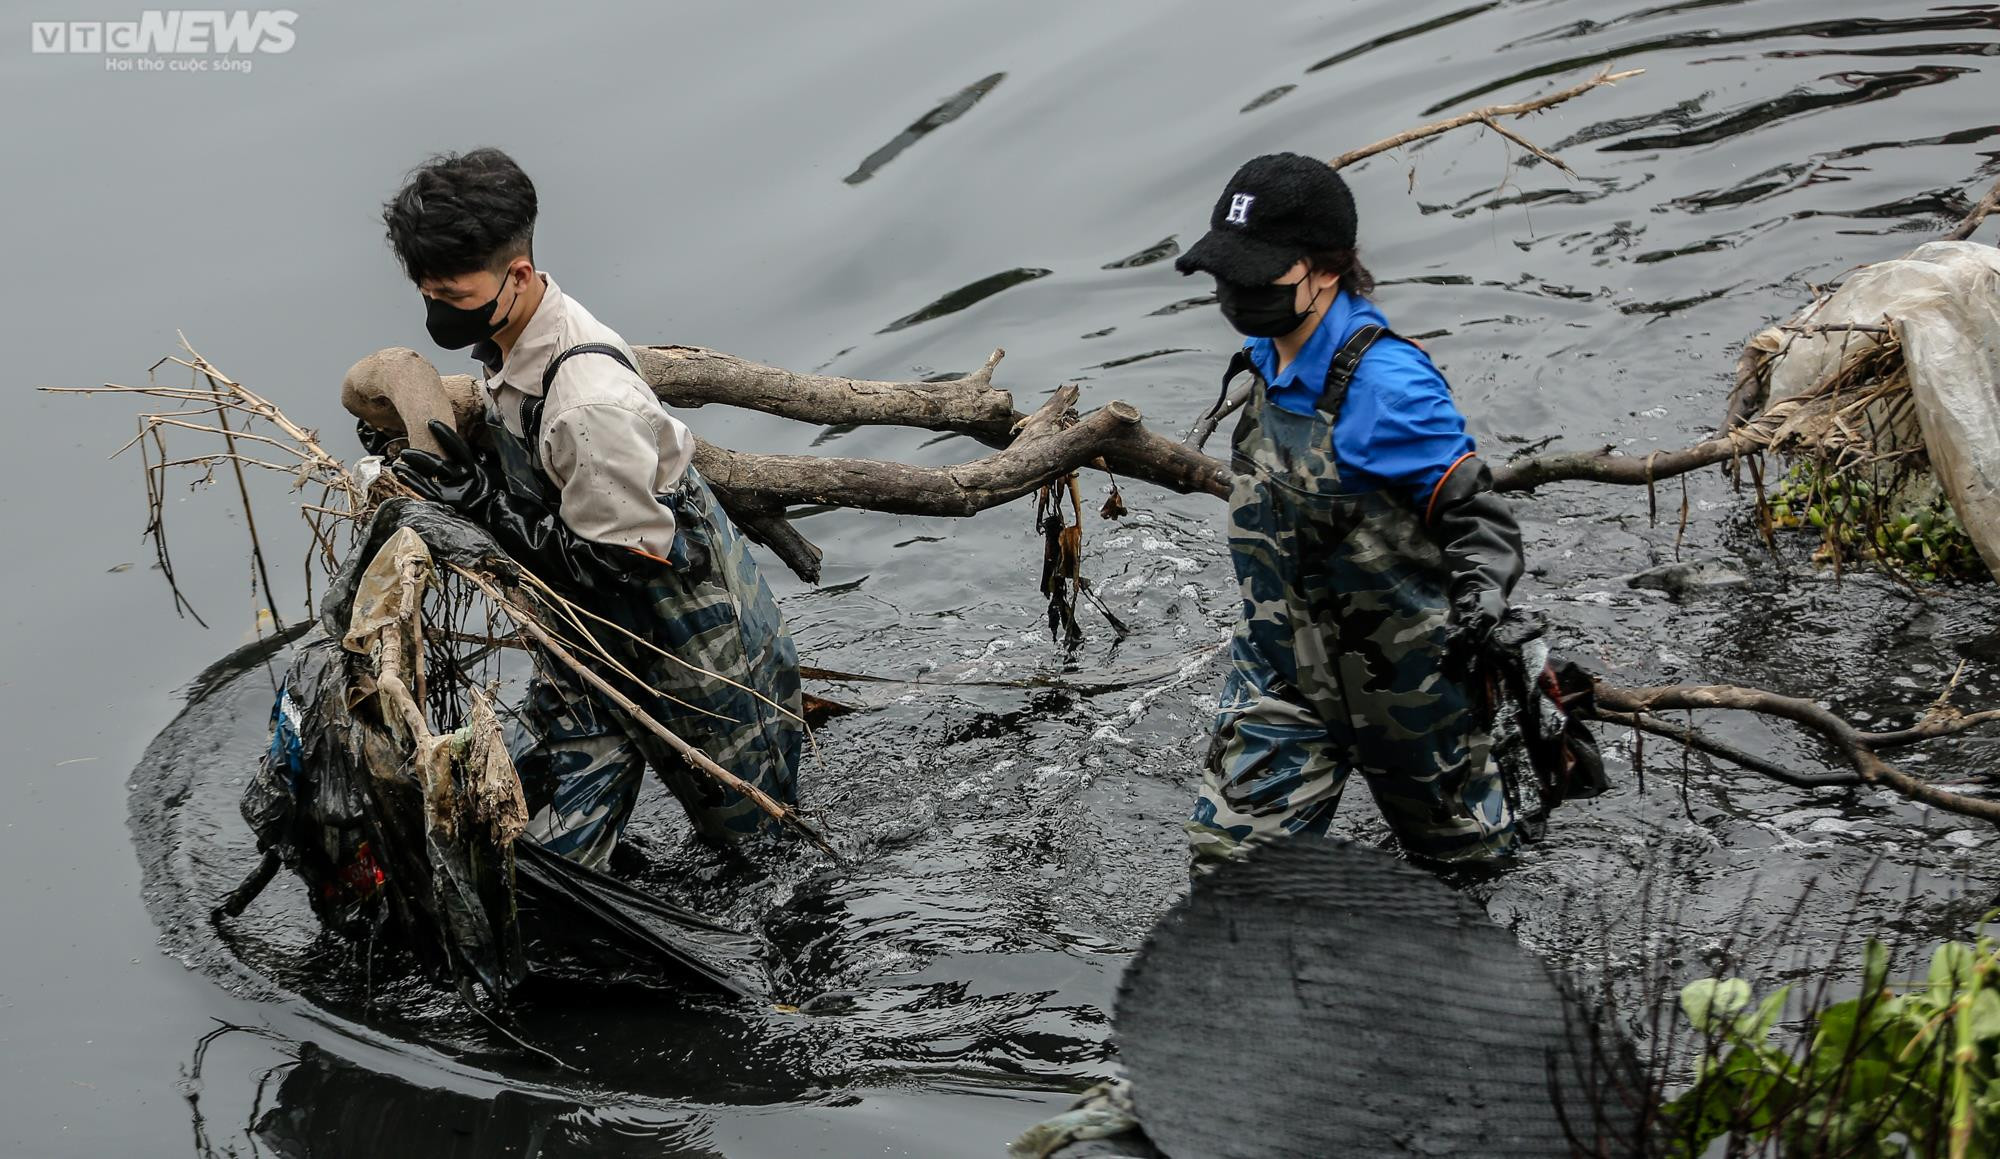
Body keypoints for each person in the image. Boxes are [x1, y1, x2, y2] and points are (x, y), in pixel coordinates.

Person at [374, 147, 804, 868]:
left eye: (452, 295)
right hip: (593, 653)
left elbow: (615, 566)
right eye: (427, 295)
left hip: (703, 666)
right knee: (521, 839)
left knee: (759, 858)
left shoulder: (587, 403)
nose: (437, 313)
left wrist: (479, 506)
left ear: (517, 274)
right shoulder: (511, 340)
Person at [1172, 152, 1525, 870]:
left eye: (1254, 272)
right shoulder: (1267, 353)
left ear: (1325, 270)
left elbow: (1480, 522)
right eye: (1226, 272)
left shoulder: (1392, 387)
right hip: (1284, 669)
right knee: (1229, 876)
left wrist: (1482, 608)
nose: (1236, 291)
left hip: (1407, 686)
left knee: (1467, 871)